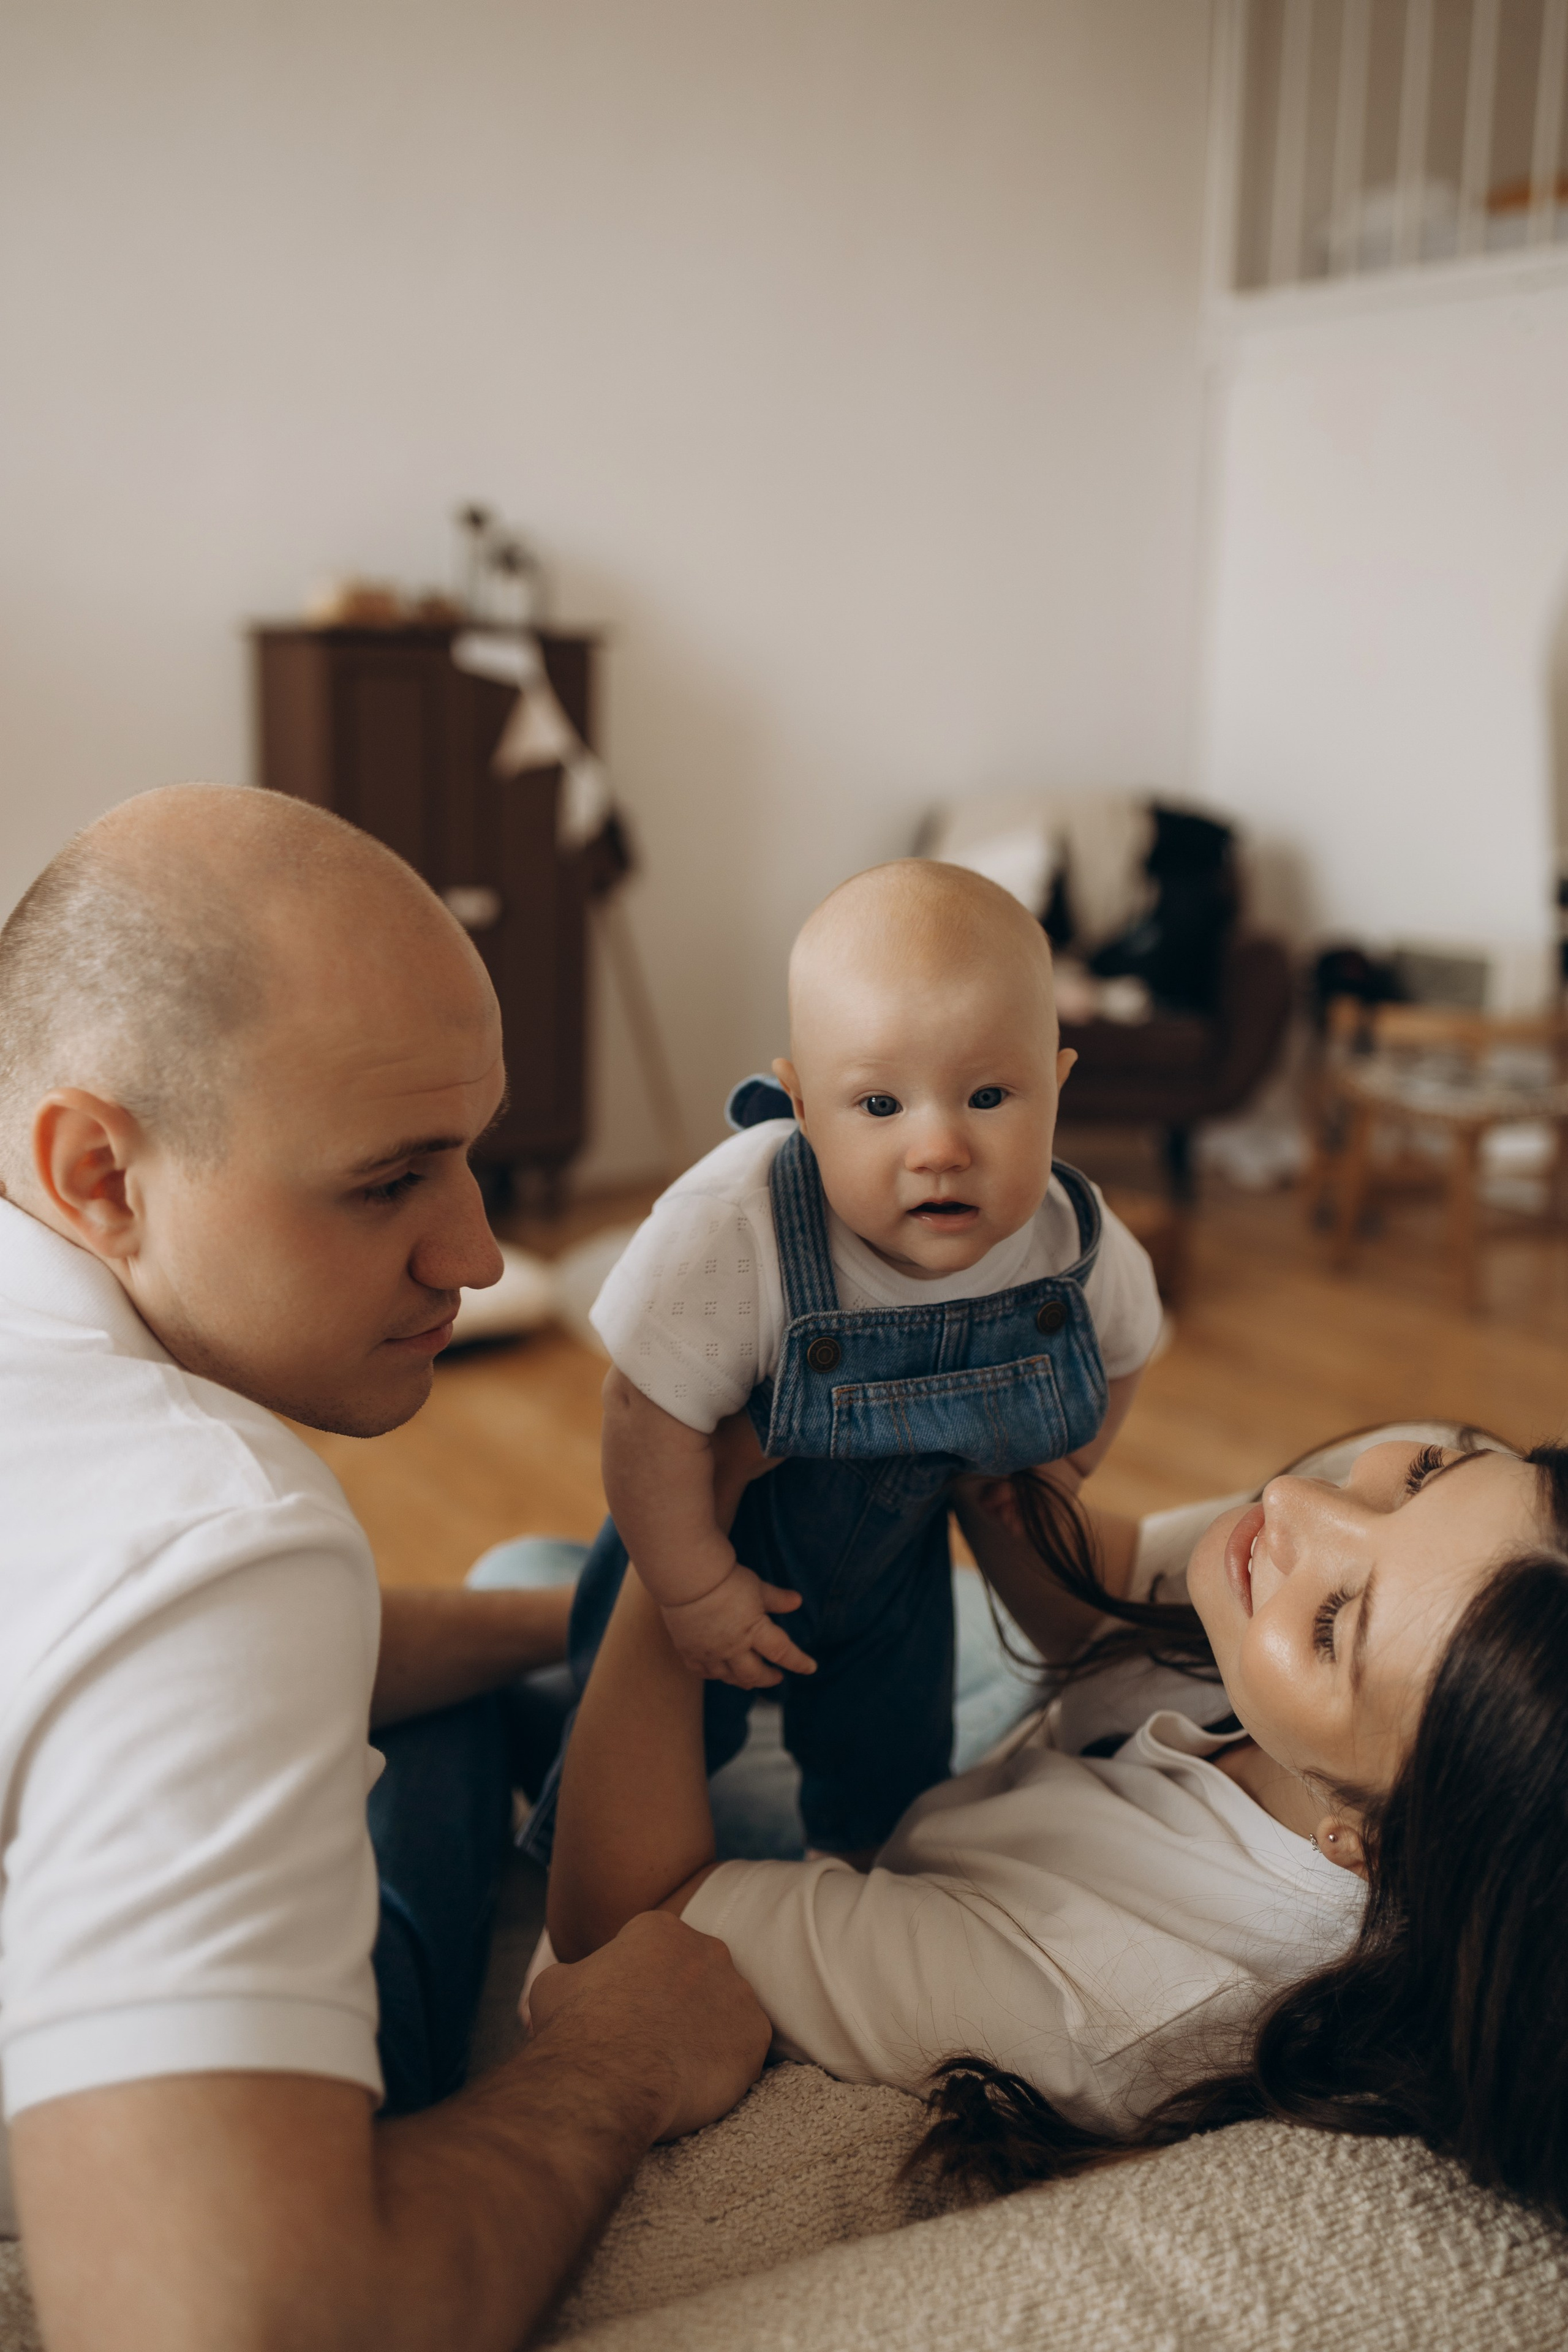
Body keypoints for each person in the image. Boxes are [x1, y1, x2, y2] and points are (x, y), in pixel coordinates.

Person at [0, 786, 769, 2352]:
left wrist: (581, 1617)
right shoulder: (209, 1528)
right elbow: (242, 2324)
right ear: (99, 1173)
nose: (480, 1255)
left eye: (470, 1157)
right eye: (386, 1180)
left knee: (498, 1632)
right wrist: (613, 2060)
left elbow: (99, 1639)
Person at [546, 1413, 1568, 2222]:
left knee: (540, 1608)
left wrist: (679, 1533)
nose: (1302, 1499)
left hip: (902, 1853)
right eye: (1427, 1475)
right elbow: (1108, 1612)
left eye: (1336, 1621)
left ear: (1373, 1843)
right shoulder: (1445, 1620)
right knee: (549, 1601)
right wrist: (976, 1406)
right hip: (1010, 1750)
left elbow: (628, 1917)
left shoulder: (1118, 2009)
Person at [526, 859, 1162, 1865]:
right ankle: (573, 1859)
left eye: (991, 1094)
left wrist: (1068, 1462)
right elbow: (644, 1416)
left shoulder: (1065, 1237)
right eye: (879, 1107)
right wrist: (693, 1590)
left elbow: (1127, 1349)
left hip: (895, 1575)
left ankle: (861, 1888)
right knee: (651, 1744)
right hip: (713, 1535)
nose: (942, 1146)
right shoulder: (736, 1225)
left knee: (895, 1761)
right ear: (802, 1105)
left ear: (1059, 1083)